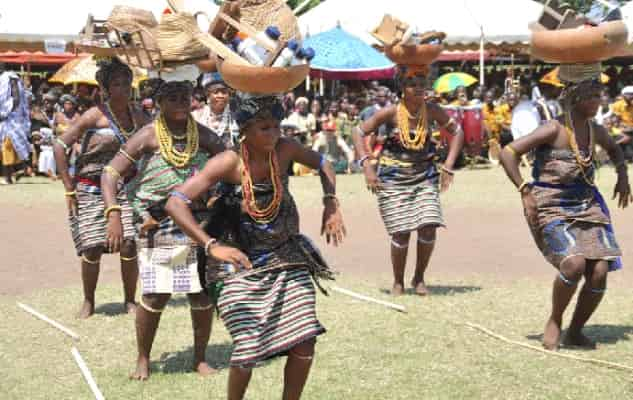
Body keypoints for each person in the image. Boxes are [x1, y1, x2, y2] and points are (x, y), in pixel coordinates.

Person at [164, 92, 345, 400]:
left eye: (276, 126)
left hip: (286, 254)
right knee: (247, 347)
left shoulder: (285, 150)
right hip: (237, 263)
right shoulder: (228, 161)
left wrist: (331, 202)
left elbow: (323, 162)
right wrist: (210, 246)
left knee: (305, 340)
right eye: (264, 128)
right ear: (244, 129)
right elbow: (175, 202)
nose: (274, 134)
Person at [101, 69, 225, 380]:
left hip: (199, 221)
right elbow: (111, 173)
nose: (181, 102)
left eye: (185, 97)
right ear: (158, 102)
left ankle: (199, 358)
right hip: (160, 221)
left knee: (201, 293)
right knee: (157, 293)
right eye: (172, 97)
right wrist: (113, 211)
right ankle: (143, 358)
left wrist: (218, 194)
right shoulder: (148, 135)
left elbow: (229, 159)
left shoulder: (204, 135)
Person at [499, 64, 631, 350]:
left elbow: (616, 150)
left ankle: (576, 331)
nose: (599, 100)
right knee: (573, 264)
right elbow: (508, 152)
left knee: (598, 272)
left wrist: (623, 176)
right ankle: (555, 320)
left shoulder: (596, 130)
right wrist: (524, 190)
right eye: (592, 95)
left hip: (587, 204)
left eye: (600, 94)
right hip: (551, 204)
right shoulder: (554, 128)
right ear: (574, 96)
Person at [352, 64, 464, 296]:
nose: (418, 88)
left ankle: (419, 278)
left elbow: (458, 132)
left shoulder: (432, 110)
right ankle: (398, 281)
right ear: (402, 88)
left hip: (425, 177)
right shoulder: (391, 112)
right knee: (400, 232)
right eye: (412, 84)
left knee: (429, 226)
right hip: (393, 179)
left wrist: (449, 166)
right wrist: (367, 167)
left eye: (422, 84)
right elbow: (359, 132)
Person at [53, 57, 150, 319]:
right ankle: (88, 301)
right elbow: (60, 146)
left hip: (126, 187)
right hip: (91, 187)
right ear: (106, 88)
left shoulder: (140, 117)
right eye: (117, 84)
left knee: (129, 243)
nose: (123, 88)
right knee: (92, 247)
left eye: (127, 83)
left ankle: (130, 300)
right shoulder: (94, 116)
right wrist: (68, 187)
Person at [0, 66, 31, 185]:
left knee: (8, 147)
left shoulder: (10, 77)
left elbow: (16, 98)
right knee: (9, 148)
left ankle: (9, 177)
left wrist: (7, 112)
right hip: (5, 118)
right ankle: (22, 170)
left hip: (12, 119)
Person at [193, 72, 239, 148]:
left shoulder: (236, 117)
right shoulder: (195, 117)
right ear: (208, 94)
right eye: (216, 92)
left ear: (229, 95)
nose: (220, 96)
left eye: (224, 92)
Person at [611, 86, 633, 161]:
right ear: (623, 95)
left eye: (632, 94)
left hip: (630, 129)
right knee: (623, 136)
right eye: (629, 94)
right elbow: (615, 122)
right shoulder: (617, 105)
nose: (631, 96)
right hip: (621, 129)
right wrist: (622, 127)